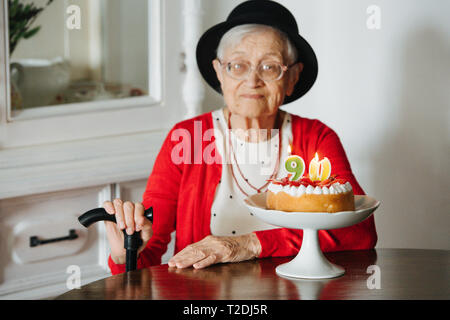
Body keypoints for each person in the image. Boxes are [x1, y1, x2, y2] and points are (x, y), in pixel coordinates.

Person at [103, 0, 377, 275]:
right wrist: (126, 251)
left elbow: (359, 233)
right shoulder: (187, 138)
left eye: (270, 67)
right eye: (237, 65)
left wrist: (247, 244)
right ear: (219, 72)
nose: (252, 80)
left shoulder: (316, 137)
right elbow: (147, 256)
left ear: (293, 76)